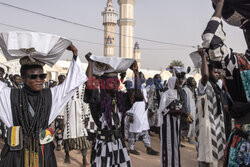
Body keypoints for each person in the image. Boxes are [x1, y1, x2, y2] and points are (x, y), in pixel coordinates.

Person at [0, 44, 87, 167]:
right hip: (17, 154)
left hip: (43, 153)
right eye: (33, 76)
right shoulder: (10, 95)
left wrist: (75, 54)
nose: (39, 79)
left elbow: (72, 82)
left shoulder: (50, 95)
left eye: (42, 76)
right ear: (23, 78)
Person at [201, 0, 250, 166]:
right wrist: (221, 5)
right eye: (247, 29)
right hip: (245, 148)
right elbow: (211, 42)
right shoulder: (239, 64)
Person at [84, 55, 135, 167]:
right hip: (103, 145)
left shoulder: (121, 98)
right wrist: (91, 63)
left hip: (119, 143)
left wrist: (136, 71)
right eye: (113, 82)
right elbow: (89, 84)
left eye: (117, 82)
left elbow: (138, 96)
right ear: (104, 83)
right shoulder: (97, 99)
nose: (116, 85)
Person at [195, 48, 226, 167]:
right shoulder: (203, 85)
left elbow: (223, 76)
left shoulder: (217, 85)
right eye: (215, 72)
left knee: (217, 156)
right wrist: (203, 57)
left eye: (218, 72)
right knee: (205, 154)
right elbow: (205, 75)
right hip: (206, 125)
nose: (217, 74)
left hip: (217, 125)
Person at [126, 72, 159, 156]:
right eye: (141, 77)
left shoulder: (143, 87)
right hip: (135, 113)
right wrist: (131, 115)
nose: (143, 78)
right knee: (133, 131)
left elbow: (146, 100)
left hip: (143, 113)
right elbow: (129, 103)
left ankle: (148, 147)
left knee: (145, 130)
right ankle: (131, 148)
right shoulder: (132, 89)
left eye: (143, 77)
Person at [159, 77, 189, 167]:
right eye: (176, 82)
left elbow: (179, 107)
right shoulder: (166, 94)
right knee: (168, 144)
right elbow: (162, 110)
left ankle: (175, 164)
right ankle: (167, 164)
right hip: (167, 124)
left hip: (176, 123)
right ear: (172, 83)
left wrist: (183, 113)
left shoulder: (178, 94)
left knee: (176, 144)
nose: (178, 83)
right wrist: (175, 112)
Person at [62, 83, 90, 166]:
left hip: (80, 117)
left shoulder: (83, 87)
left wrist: (87, 116)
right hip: (68, 117)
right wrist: (60, 117)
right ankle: (67, 155)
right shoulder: (65, 87)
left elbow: (85, 102)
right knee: (67, 138)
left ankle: (84, 158)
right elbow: (61, 103)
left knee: (83, 138)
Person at [183, 77, 197, 144]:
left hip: (193, 108)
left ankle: (185, 136)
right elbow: (185, 101)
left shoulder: (192, 89)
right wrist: (187, 110)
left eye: (194, 81)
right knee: (189, 123)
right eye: (192, 81)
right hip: (189, 109)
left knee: (192, 123)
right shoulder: (185, 89)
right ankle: (189, 138)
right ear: (188, 82)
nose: (194, 82)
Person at [54, 75, 66, 151]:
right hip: (58, 112)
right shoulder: (57, 89)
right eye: (62, 79)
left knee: (64, 128)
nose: (63, 81)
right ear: (59, 80)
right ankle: (58, 144)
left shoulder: (66, 89)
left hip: (65, 112)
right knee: (59, 128)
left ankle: (63, 142)